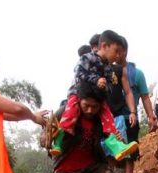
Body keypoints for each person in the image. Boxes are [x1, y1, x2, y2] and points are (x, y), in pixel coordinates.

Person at [57, 30, 136, 161]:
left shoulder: (109, 67)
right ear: (104, 46)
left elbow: (110, 84)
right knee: (69, 113)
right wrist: (95, 79)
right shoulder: (88, 58)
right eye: (116, 51)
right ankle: (59, 140)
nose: (117, 56)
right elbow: (78, 73)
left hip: (99, 98)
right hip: (79, 94)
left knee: (108, 118)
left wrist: (106, 88)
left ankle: (115, 145)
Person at [116, 36, 158, 173]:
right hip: (113, 120)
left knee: (130, 153)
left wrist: (151, 116)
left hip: (130, 119)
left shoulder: (137, 74)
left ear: (124, 52)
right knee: (112, 152)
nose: (116, 54)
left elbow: (145, 97)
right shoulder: (108, 72)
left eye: (119, 51)